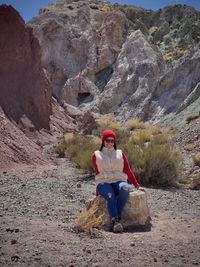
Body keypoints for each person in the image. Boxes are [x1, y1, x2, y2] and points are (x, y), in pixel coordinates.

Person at [92, 129, 145, 233]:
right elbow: (97, 173)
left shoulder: (120, 154)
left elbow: (127, 170)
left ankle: (117, 214)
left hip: (119, 180)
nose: (110, 143)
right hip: (104, 182)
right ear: (103, 140)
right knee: (110, 196)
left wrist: (136, 185)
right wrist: (97, 193)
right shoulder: (96, 155)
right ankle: (115, 222)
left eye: (112, 141)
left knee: (126, 188)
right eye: (107, 140)